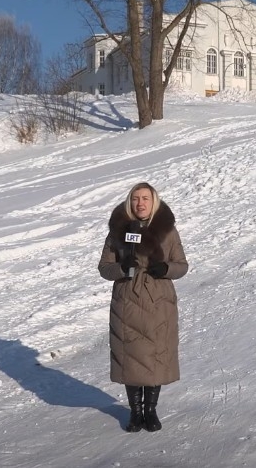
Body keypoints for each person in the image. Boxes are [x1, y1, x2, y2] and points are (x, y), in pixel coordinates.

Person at [98, 182, 188, 432]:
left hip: (159, 300)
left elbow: (182, 265)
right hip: (127, 300)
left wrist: (166, 268)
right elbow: (104, 267)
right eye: (136, 198)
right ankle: (136, 413)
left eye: (145, 198)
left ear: (154, 201)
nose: (140, 203)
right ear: (130, 201)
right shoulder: (118, 231)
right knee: (131, 357)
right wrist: (121, 268)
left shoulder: (168, 231)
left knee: (156, 356)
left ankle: (151, 410)